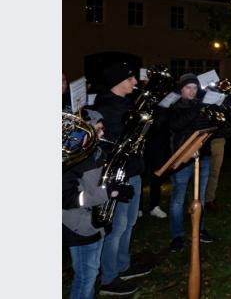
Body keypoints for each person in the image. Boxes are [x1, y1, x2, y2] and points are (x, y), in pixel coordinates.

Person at [93, 62, 151, 295]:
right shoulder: (106, 107)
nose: (135, 82)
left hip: (133, 170)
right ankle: (109, 278)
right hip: (118, 174)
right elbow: (109, 142)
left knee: (129, 223)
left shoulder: (127, 103)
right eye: (130, 79)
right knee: (116, 227)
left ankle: (122, 265)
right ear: (117, 82)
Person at [63, 110, 134, 299]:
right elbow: (67, 198)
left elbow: (97, 184)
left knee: (91, 273)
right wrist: (108, 192)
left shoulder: (96, 152)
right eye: (99, 129)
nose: (102, 133)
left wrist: (117, 186)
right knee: (86, 276)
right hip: (78, 226)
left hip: (93, 222)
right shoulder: (70, 161)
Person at [167, 73, 216, 252]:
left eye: (195, 88)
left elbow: (209, 128)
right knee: (178, 200)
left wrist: (213, 112)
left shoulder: (200, 105)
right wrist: (198, 108)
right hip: (182, 158)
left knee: (199, 197)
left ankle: (199, 229)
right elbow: (176, 125)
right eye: (188, 87)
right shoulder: (174, 105)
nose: (192, 91)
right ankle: (177, 236)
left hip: (203, 156)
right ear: (181, 89)